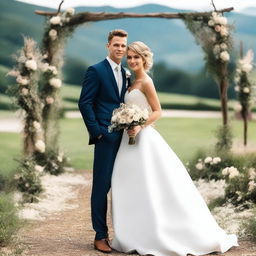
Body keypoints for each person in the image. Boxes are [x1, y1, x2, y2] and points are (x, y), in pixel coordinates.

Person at [110, 41, 238, 256]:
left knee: (152, 185)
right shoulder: (130, 80)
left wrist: (139, 125)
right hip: (128, 139)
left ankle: (160, 233)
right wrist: (126, 122)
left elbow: (158, 111)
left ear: (144, 59)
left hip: (144, 139)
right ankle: (133, 233)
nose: (131, 61)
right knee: (129, 184)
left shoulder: (146, 82)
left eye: (136, 57)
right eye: (129, 57)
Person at [78, 29, 129, 253]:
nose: (120, 49)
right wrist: (97, 132)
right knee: (101, 186)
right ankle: (100, 235)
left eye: (123, 46)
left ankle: (127, 233)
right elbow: (84, 102)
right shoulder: (96, 70)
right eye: (116, 44)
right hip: (105, 137)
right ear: (108, 46)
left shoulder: (126, 73)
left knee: (124, 185)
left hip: (126, 139)